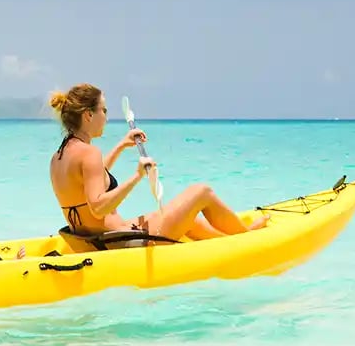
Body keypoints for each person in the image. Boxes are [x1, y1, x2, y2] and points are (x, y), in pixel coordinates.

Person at [48, 83, 269, 242]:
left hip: (93, 241)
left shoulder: (60, 156)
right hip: (119, 243)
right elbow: (97, 208)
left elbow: (92, 177)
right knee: (202, 191)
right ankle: (248, 239)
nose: (106, 116)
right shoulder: (89, 153)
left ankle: (226, 245)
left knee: (192, 220)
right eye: (103, 110)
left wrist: (121, 146)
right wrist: (137, 176)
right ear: (88, 115)